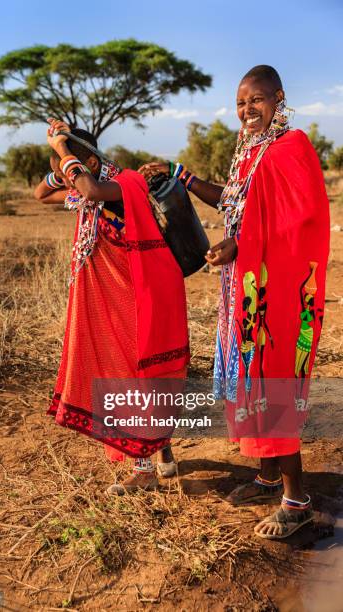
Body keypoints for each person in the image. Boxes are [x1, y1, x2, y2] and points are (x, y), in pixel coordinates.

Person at [139, 65, 329, 539]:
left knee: (271, 378)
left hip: (280, 292)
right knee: (251, 375)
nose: (248, 110)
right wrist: (181, 177)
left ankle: (297, 499)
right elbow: (233, 203)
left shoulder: (292, 148)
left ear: (279, 98)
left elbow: (301, 220)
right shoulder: (248, 153)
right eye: (241, 102)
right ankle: (267, 476)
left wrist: (241, 246)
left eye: (257, 100)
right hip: (248, 290)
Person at [34, 119, 189, 495]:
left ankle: (145, 468)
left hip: (143, 294)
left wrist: (63, 151)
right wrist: (62, 163)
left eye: (69, 165)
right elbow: (41, 193)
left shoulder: (124, 184)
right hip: (118, 299)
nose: (65, 176)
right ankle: (158, 451)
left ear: (87, 160)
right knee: (133, 372)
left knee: (137, 371)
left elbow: (88, 186)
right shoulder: (89, 188)